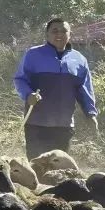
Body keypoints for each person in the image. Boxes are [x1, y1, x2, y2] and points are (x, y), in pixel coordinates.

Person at [13, 17, 98, 160]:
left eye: (64, 31)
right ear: (47, 35)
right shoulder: (33, 55)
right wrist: (28, 95)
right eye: (54, 31)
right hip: (36, 123)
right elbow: (20, 79)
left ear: (70, 34)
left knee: (58, 169)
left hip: (64, 125)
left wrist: (90, 114)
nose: (59, 34)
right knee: (37, 166)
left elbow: (84, 89)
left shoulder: (79, 60)